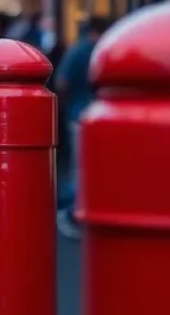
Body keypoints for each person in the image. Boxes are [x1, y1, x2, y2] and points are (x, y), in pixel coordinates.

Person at [55, 16, 110, 240]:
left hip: (79, 113)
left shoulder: (79, 51)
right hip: (93, 115)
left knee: (82, 168)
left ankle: (69, 209)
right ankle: (70, 213)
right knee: (86, 169)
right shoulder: (100, 52)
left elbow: (62, 82)